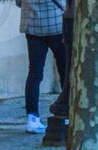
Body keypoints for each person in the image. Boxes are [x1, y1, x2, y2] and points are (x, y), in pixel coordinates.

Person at [17, 0, 69, 134]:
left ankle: (32, 117)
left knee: (34, 73)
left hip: (32, 27)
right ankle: (67, 112)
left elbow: (19, 3)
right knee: (65, 71)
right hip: (56, 26)